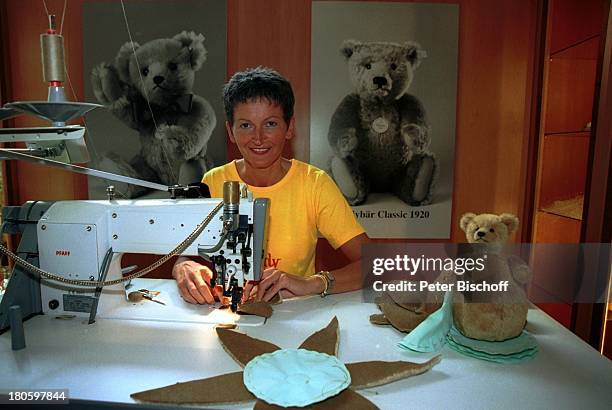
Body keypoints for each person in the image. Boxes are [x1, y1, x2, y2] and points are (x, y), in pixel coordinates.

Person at [172, 67, 368, 304]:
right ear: (230, 132)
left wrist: (311, 283)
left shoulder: (315, 184)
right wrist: (183, 266)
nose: (258, 138)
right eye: (245, 125)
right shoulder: (212, 183)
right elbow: (187, 256)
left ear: (290, 128)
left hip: (295, 312)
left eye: (271, 124)